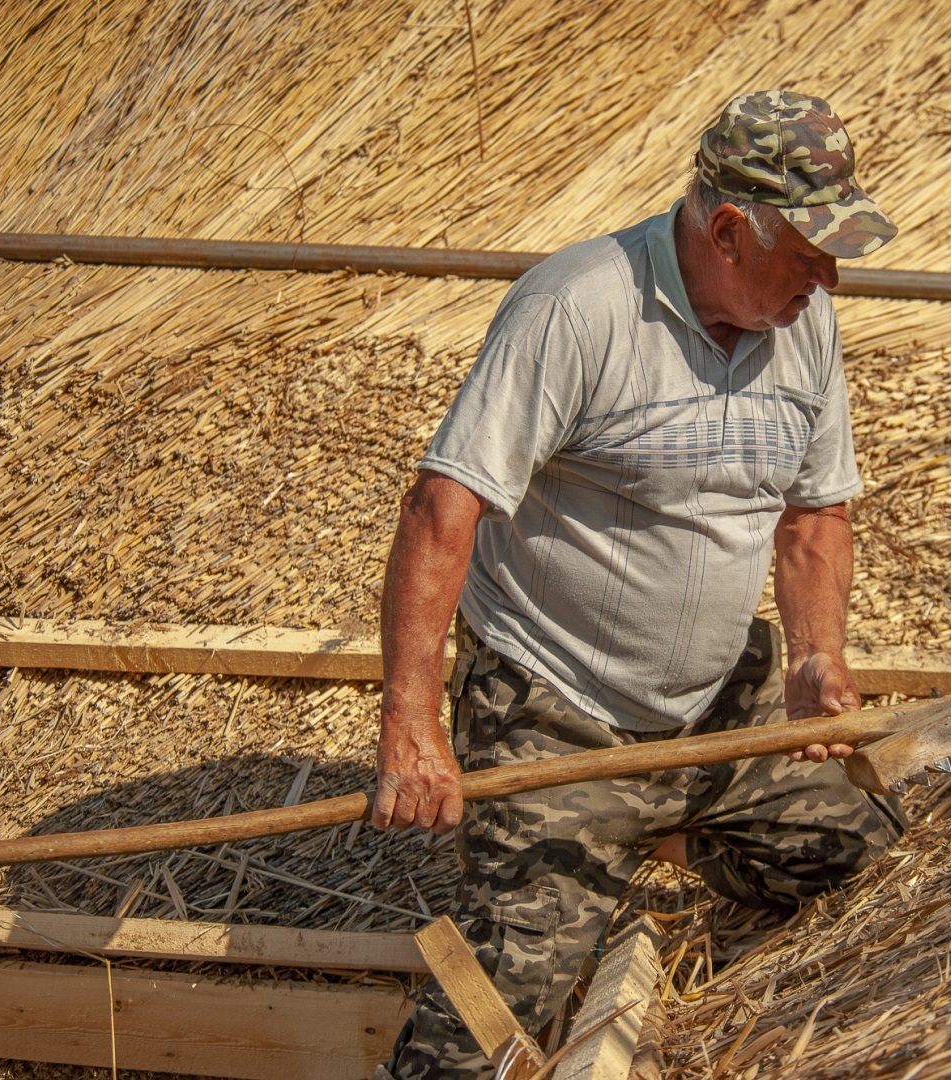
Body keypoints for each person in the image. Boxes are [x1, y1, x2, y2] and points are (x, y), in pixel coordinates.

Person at [373, 90, 905, 1079]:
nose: (830, 276)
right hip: (556, 713)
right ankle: (609, 826)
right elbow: (444, 510)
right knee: (494, 1015)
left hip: (715, 710)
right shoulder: (576, 309)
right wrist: (412, 719)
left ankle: (660, 823)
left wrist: (816, 655)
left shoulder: (808, 322)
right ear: (730, 230)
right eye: (811, 249)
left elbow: (815, 514)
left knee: (862, 851)